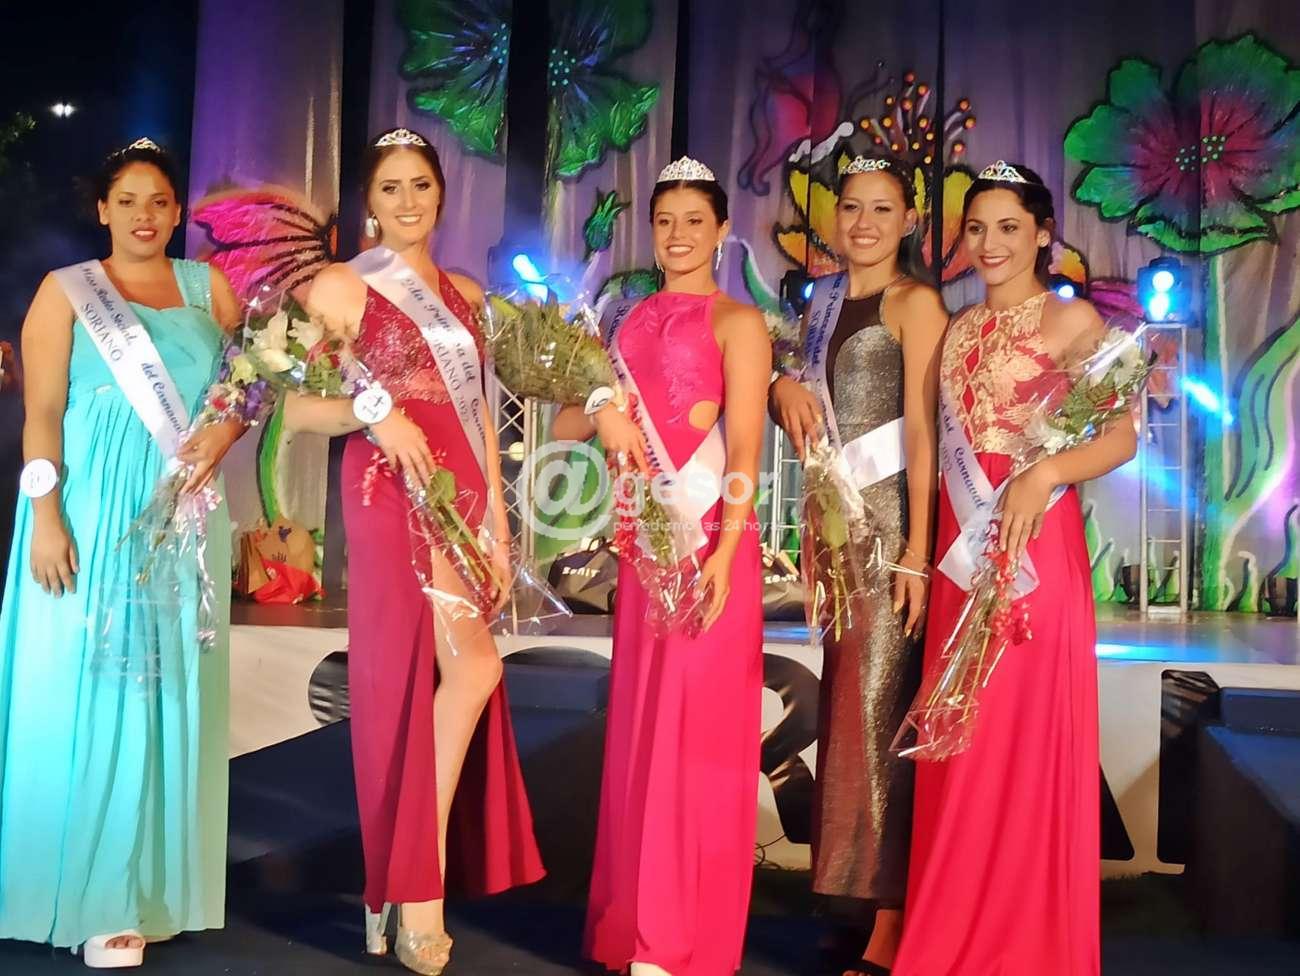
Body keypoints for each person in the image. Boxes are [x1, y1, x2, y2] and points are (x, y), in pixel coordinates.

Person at [282, 126, 543, 976]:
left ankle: (401, 882)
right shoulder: (342, 284)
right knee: (456, 673)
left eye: (420, 185)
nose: (406, 201)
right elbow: (296, 408)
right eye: (390, 187)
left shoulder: (463, 293)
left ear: (441, 194)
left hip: (462, 495)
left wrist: (500, 527)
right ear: (370, 200)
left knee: (466, 674)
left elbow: (482, 421)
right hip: (389, 490)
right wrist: (374, 413)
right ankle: (415, 895)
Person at [0, 139, 244, 967]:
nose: (145, 215)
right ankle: (94, 897)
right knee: (93, 684)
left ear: (177, 213)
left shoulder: (210, 288)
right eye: (128, 201)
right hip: (91, 511)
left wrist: (225, 434)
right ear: (103, 210)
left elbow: (245, 392)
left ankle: (151, 887)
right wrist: (46, 515)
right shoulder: (65, 291)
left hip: (182, 510)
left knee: (163, 685)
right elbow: (41, 412)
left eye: (160, 201)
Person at [892, 162, 1135, 976]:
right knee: (959, 746)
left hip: (1034, 552)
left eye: (1007, 228)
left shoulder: (1075, 321)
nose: (989, 244)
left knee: (1019, 743)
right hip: (963, 552)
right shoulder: (958, 328)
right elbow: (930, 445)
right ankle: (950, 939)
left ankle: (1027, 947)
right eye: (976, 228)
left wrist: (1046, 472)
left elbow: (1121, 436)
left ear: (1042, 235)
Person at [552, 157, 771, 976]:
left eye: (695, 221)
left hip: (708, 540)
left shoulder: (738, 322)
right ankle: (638, 924)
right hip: (646, 550)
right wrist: (599, 404)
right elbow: (570, 424)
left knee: (698, 738)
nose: (678, 235)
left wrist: (726, 549)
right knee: (647, 734)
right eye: (665, 220)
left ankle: (680, 938)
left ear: (722, 231)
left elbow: (744, 449)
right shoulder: (628, 321)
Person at [769, 154, 946, 975]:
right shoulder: (821, 304)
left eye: (881, 208)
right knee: (850, 718)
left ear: (908, 221)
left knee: (882, 721)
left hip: (891, 539)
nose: (864, 223)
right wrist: (781, 386)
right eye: (851, 207)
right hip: (838, 538)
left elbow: (923, 432)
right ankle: (859, 897)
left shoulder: (916, 303)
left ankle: (891, 925)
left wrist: (916, 555)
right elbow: (804, 403)